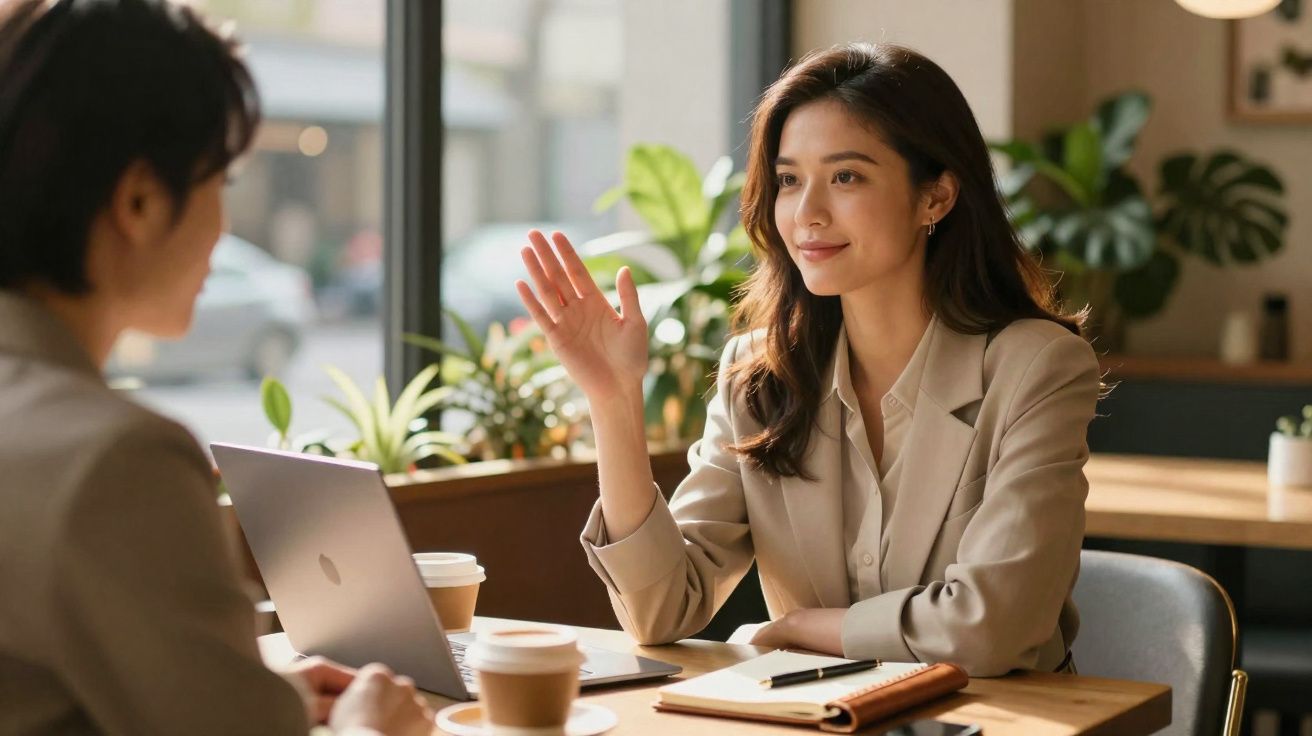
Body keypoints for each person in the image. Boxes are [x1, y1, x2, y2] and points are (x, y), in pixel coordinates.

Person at [515, 42, 1101, 677]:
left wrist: (804, 628)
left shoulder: (1036, 368)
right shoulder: (758, 377)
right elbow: (660, 610)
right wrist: (614, 397)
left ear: (936, 198)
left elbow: (993, 628)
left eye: (846, 176)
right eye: (790, 180)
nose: (807, 214)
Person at [0, 1, 432, 733]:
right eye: (220, 184)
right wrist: (371, 727)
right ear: (138, 200)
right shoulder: (115, 461)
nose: (225, 229)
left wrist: (252, 693)